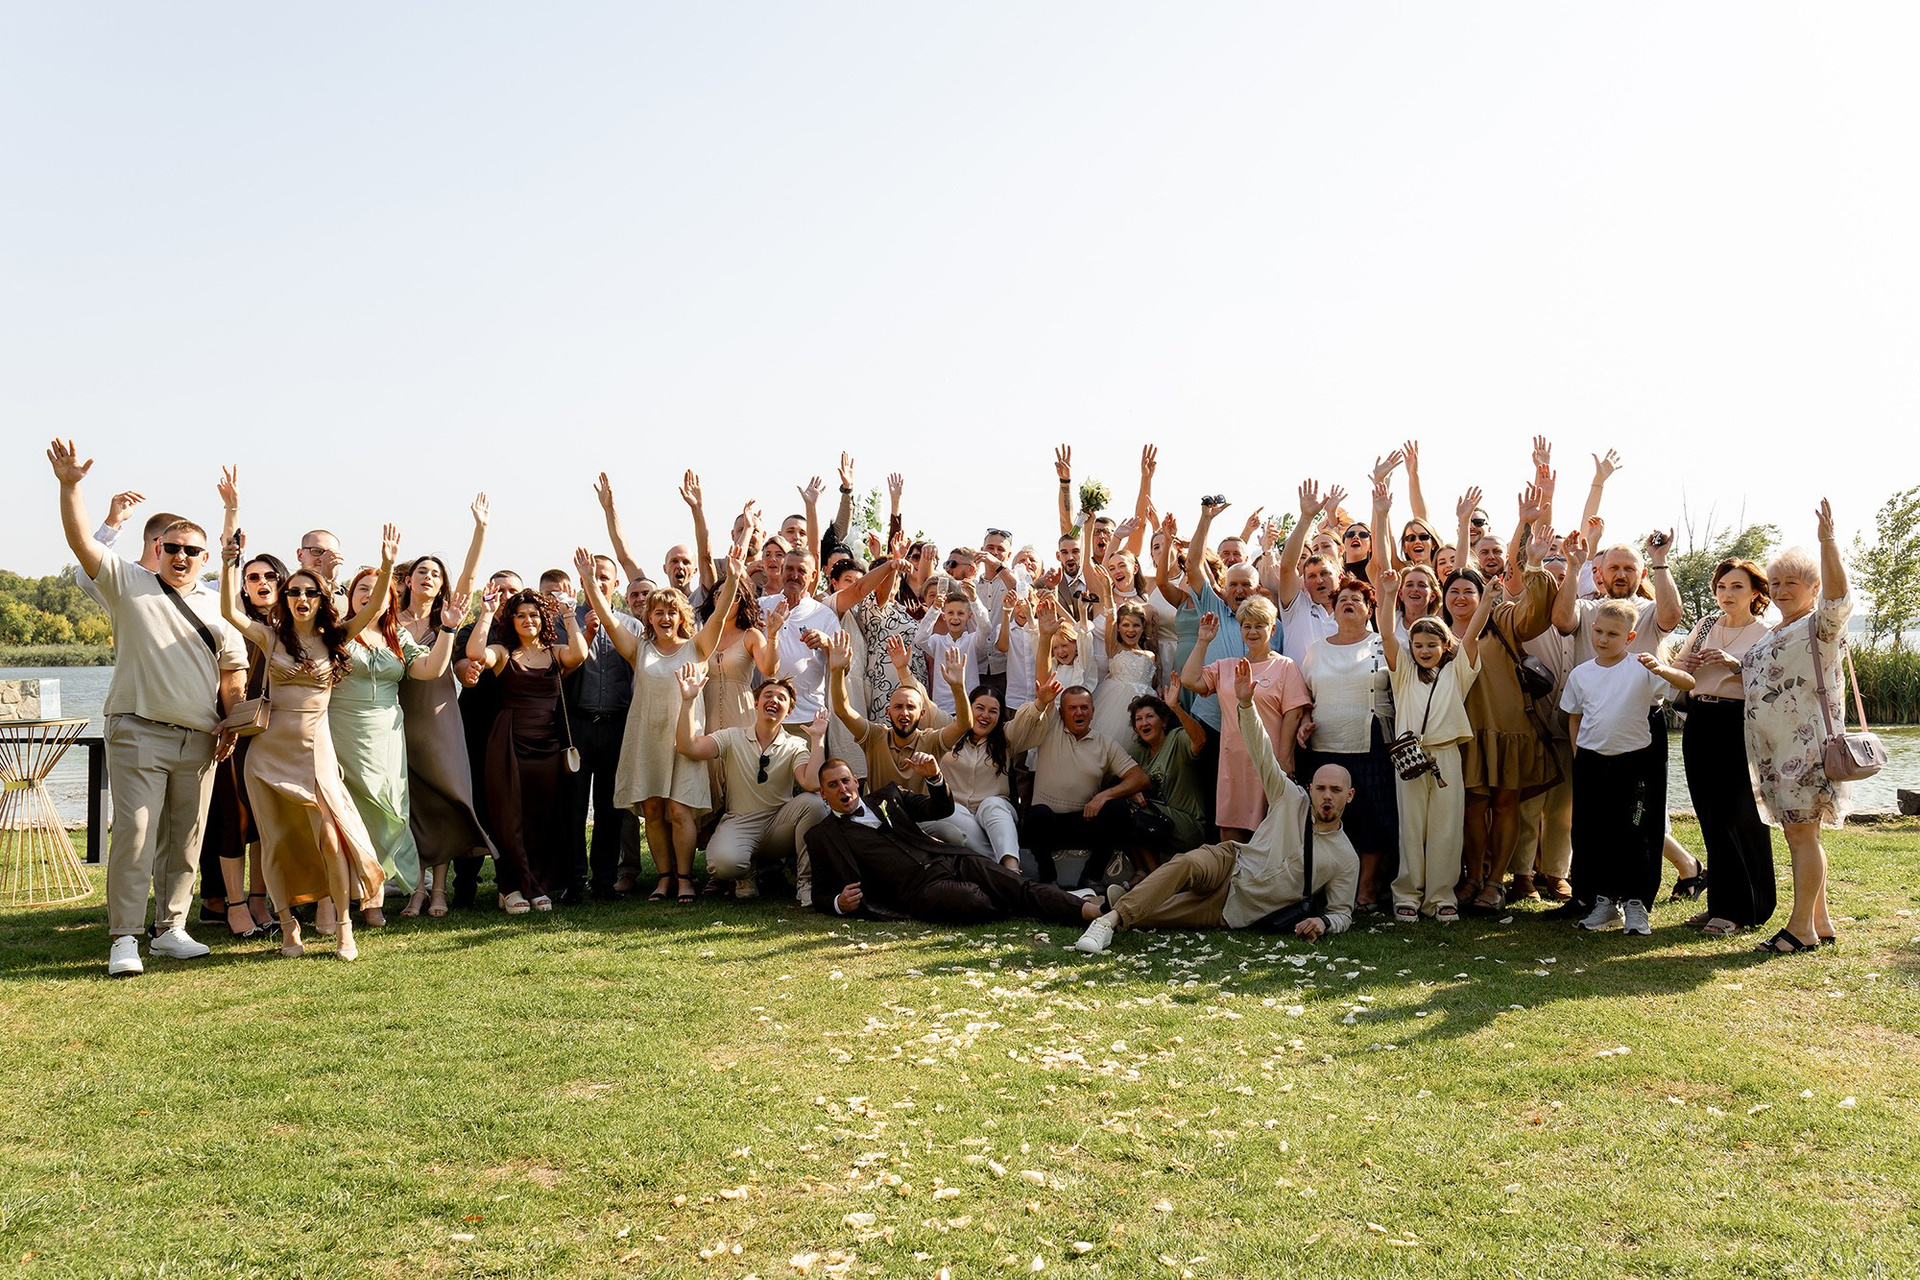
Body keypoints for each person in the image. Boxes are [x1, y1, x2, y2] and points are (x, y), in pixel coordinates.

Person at [51, 440, 250, 976]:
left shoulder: (220, 605)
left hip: (201, 738)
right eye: (173, 547)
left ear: (205, 557)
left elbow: (232, 672)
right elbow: (80, 542)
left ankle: (171, 929)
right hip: (138, 730)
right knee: (136, 835)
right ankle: (124, 937)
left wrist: (232, 722)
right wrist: (71, 487)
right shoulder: (127, 583)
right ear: (158, 549)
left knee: (186, 837)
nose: (182, 556)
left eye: (192, 550)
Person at [1074, 658, 1360, 954]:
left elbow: (1341, 912)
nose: (1327, 796)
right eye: (1321, 788)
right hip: (1231, 861)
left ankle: (1112, 905)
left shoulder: (1346, 858)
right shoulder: (1291, 798)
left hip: (1236, 908)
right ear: (1311, 789)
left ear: (1349, 796)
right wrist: (1246, 705)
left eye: (1336, 790)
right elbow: (1261, 751)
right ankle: (1106, 921)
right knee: (1186, 863)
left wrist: (1325, 922)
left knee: (1157, 916)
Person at [219, 522, 400, 962]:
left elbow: (374, 606)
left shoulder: (336, 638)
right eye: (295, 592)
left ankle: (343, 927)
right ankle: (288, 927)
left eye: (310, 593)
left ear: (322, 599)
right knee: (276, 842)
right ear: (286, 598)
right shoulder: (270, 637)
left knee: (332, 839)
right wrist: (228, 563)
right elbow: (229, 612)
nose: (302, 598)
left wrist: (387, 565)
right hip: (267, 755)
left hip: (316, 752)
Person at [807, 755, 1101, 928]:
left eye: (846, 781)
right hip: (918, 891)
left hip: (951, 859)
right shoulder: (821, 836)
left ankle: (1090, 912)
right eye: (833, 785)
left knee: (1014, 884)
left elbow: (939, 809)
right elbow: (819, 891)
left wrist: (935, 778)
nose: (842, 789)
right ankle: (1070, 900)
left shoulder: (889, 796)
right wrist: (838, 903)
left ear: (856, 781)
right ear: (823, 794)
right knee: (976, 900)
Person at [1551, 527, 1683, 911]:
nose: (1621, 574)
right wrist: (1573, 565)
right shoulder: (1587, 609)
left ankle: (1637, 900)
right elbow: (1560, 620)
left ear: (1640, 574)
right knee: (1590, 820)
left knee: (1641, 818)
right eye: (1614, 568)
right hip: (1592, 725)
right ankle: (1589, 898)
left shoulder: (1648, 611)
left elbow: (1672, 616)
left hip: (1642, 724)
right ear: (1601, 572)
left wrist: (1659, 560)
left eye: (1629, 568)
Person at [1743, 501, 1853, 955]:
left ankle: (1800, 929)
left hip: (1805, 749)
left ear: (1812, 587)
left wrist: (1827, 542)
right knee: (1802, 834)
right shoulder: (1775, 630)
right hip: (1775, 750)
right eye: (1775, 582)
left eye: (1792, 582)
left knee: (1801, 835)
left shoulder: (1820, 625)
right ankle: (1820, 923)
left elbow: (1839, 598)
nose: (1781, 589)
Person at [1449, 494, 1560, 912]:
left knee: (1506, 803)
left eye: (1469, 590)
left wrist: (1534, 562)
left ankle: (1497, 882)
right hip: (1464, 733)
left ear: (1483, 594)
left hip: (1509, 728)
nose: (1461, 597)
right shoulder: (1436, 634)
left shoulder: (1503, 620)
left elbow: (1538, 614)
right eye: (1454, 591)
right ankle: (1472, 877)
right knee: (1472, 807)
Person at [1561, 599, 1696, 935]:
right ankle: (1605, 902)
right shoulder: (1581, 674)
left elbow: (1687, 683)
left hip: (1634, 763)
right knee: (1595, 835)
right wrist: (1579, 753)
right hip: (1592, 762)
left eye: (1613, 634)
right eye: (1599, 632)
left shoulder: (1642, 667)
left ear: (1630, 637)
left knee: (1636, 833)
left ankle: (1637, 904)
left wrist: (1662, 669)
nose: (1603, 639)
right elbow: (1574, 716)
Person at [329, 564, 454, 923]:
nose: (369, 595)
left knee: (389, 811)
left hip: (387, 732)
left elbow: (430, 669)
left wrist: (447, 629)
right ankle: (340, 900)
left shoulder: (396, 635)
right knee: (348, 812)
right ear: (351, 596)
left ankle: (374, 897)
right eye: (362, 588)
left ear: (391, 599)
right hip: (342, 728)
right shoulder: (337, 633)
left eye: (379, 590)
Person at [1377, 570, 1493, 922]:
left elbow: (1472, 634)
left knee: (1446, 828)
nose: (1425, 651)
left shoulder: (1457, 672)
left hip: (1445, 755)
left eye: (1432, 645)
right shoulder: (1403, 673)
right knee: (1411, 828)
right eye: (1418, 645)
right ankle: (1408, 894)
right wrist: (1389, 594)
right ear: (1411, 648)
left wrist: (1487, 599)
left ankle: (1441, 895)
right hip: (1410, 757)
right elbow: (1386, 634)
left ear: (1445, 646)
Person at [397, 523, 499, 917]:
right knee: (411, 806)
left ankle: (438, 889)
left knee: (444, 800)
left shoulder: (448, 618)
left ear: (443, 585)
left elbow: (469, 579)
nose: (428, 577)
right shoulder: (389, 620)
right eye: (422, 571)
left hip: (440, 719)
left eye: (436, 574)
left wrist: (480, 530)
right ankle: (416, 889)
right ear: (408, 580)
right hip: (399, 719)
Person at [467, 582, 589, 913]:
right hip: (508, 742)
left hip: (547, 744)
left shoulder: (555, 652)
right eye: (520, 615)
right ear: (512, 621)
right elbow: (476, 654)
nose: (527, 620)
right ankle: (511, 887)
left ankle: (536, 884)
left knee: (542, 816)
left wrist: (569, 614)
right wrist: (486, 612)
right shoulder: (503, 652)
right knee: (508, 816)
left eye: (533, 614)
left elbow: (580, 654)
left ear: (543, 618)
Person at [1672, 559, 1776, 937]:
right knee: (1710, 816)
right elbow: (1678, 674)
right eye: (1721, 587)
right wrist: (1685, 664)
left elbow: (1773, 685)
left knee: (1741, 815)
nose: (1727, 594)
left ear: (1756, 593)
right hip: (1700, 721)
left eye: (1736, 587)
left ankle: (1746, 908)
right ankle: (1720, 903)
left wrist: (1737, 666)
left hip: (1739, 724)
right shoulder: (1704, 626)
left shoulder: (1767, 632)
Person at [672, 667, 828, 897]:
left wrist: (817, 739)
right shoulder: (731, 736)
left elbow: (812, 783)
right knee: (722, 864)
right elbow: (689, 747)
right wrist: (688, 701)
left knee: (815, 804)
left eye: (781, 698)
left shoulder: (795, 745)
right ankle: (747, 872)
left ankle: (805, 883)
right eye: (768, 695)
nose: (773, 700)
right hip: (740, 823)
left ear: (789, 711)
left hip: (779, 825)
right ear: (756, 703)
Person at [1296, 576, 1399, 912]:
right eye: (1342, 599)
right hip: (1325, 745)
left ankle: (1366, 889)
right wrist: (1303, 723)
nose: (1349, 603)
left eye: (1357, 599)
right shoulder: (1316, 650)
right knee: (1328, 817)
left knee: (1373, 816)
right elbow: (1307, 698)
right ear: (1333, 610)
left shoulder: (1383, 643)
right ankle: (1328, 885)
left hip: (1372, 743)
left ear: (1369, 609)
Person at [1006, 660, 1153, 886]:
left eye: (1084, 707)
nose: (1079, 712)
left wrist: (1105, 795)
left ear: (1093, 712)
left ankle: (1091, 877)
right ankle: (1048, 880)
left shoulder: (1105, 743)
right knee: (1036, 816)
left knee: (1118, 809)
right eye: (1072, 708)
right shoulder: (1051, 727)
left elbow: (1140, 778)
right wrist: (1042, 698)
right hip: (1049, 826)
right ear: (1061, 712)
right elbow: (1043, 685)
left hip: (1085, 822)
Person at [1179, 597, 1309, 841]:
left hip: (1268, 763)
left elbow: (1293, 715)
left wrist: (1284, 760)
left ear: (1272, 629)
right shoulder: (1227, 667)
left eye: (1259, 625)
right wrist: (1203, 642)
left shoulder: (1285, 666)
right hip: (1233, 764)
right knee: (1231, 834)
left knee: (1269, 835)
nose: (1252, 632)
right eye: (1246, 626)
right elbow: (1189, 680)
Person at [825, 633, 973, 794]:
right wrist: (837, 670)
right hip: (881, 809)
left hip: (922, 810)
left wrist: (958, 687)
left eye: (911, 707)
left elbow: (964, 725)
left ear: (922, 714)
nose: (904, 712)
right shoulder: (874, 736)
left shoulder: (931, 740)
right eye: (898, 707)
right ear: (888, 712)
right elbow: (842, 710)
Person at [924, 684, 1025, 872]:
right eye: (980, 708)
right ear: (968, 709)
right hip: (957, 811)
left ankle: (1011, 868)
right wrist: (903, 672)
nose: (985, 715)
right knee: (952, 811)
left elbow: (1029, 720)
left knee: (992, 804)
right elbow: (927, 707)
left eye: (993, 711)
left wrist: (1042, 702)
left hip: (996, 811)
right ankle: (1007, 874)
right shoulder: (948, 730)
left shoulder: (1006, 737)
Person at [1123, 685, 1210, 876]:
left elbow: (1200, 740)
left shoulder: (1177, 738)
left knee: (1131, 811)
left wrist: (1175, 707)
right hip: (1157, 827)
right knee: (1119, 808)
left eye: (1150, 716)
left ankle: (1154, 879)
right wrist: (1132, 791)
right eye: (1139, 719)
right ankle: (1142, 874)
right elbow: (1120, 780)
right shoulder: (1138, 752)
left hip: (1187, 828)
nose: (1144, 723)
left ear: (1163, 721)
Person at [1266, 481, 1343, 663]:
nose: (1319, 580)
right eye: (1312, 576)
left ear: (1340, 577)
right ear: (1304, 581)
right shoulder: (1296, 606)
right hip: (1298, 683)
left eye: (1325, 574)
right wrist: (1306, 519)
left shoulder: (1351, 607)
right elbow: (1287, 567)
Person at [1089, 601, 1160, 742]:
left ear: (1143, 628)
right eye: (1125, 625)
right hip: (1117, 705)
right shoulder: (1115, 648)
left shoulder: (1150, 655)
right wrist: (1107, 593)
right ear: (1118, 628)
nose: (1131, 630)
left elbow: (1153, 681)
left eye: (1136, 625)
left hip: (1145, 706)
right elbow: (1110, 617)